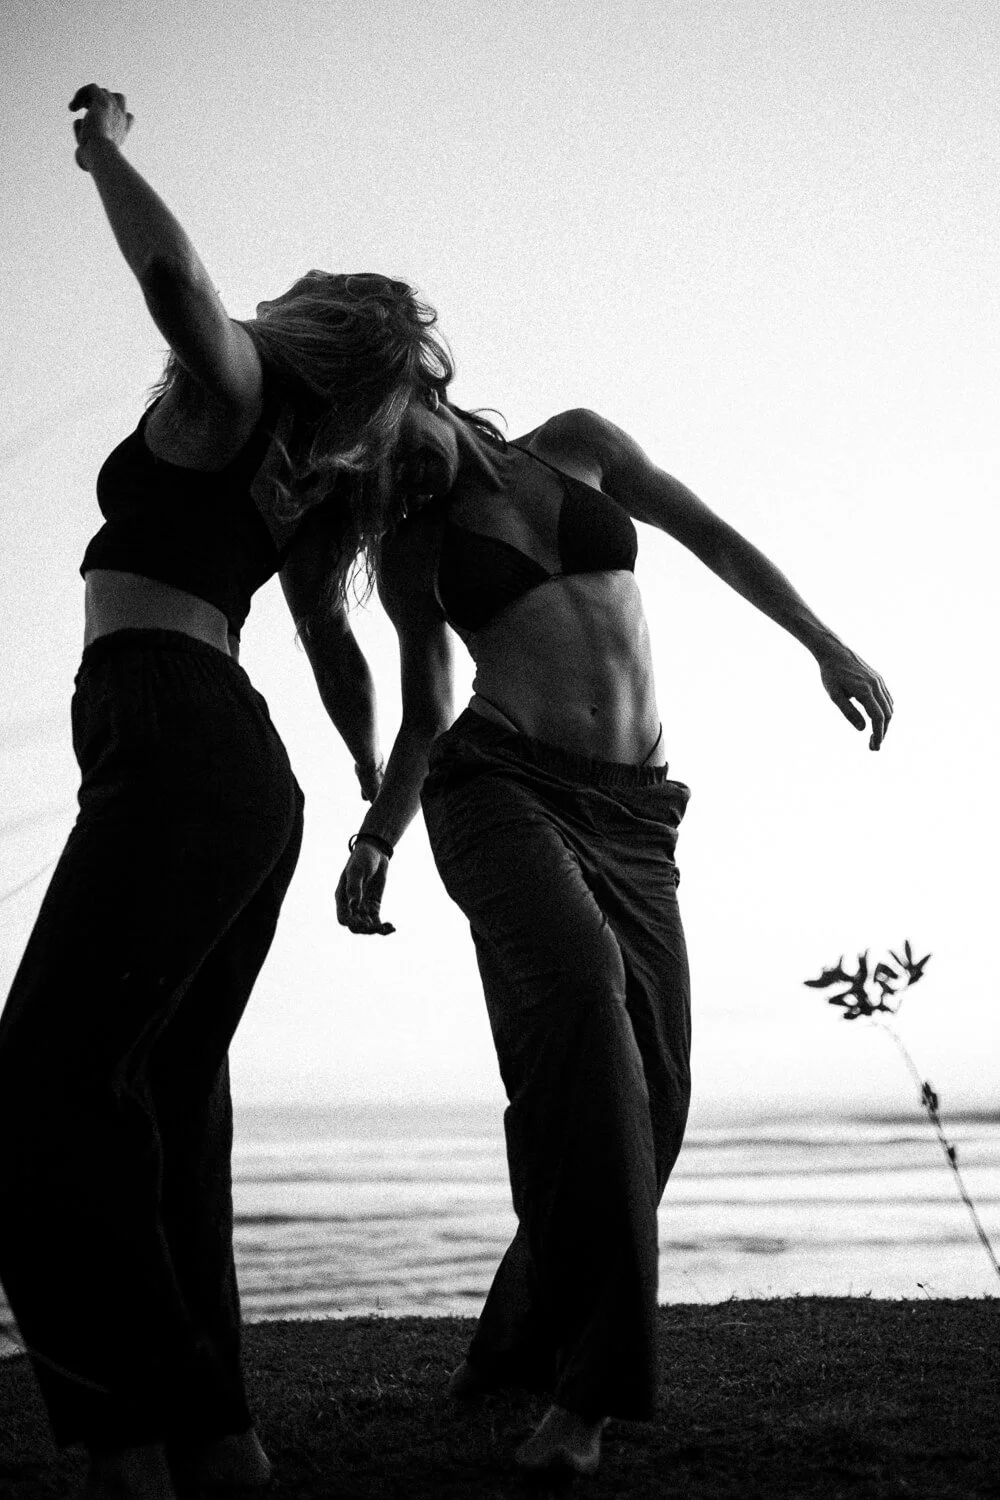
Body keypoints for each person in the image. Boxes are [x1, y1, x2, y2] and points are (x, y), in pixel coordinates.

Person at [0, 86, 451, 1500]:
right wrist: (372, 780)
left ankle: (132, 1438)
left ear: (322, 324)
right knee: (169, 1111)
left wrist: (103, 155)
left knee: (43, 1092)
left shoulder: (242, 389)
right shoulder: (306, 480)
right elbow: (330, 649)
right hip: (235, 774)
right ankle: (221, 1444)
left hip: (175, 735)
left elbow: (174, 280)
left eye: (310, 287)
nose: (286, 284)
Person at [335, 388, 893, 1474]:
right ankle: (582, 1404)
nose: (391, 483)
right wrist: (377, 837)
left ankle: (506, 1350)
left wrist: (823, 644)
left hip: (636, 811)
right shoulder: (415, 552)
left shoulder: (578, 447)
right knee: (589, 1012)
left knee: (660, 1093)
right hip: (500, 788)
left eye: (386, 449)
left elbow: (712, 538)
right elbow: (424, 709)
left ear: (418, 383)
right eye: (368, 477)